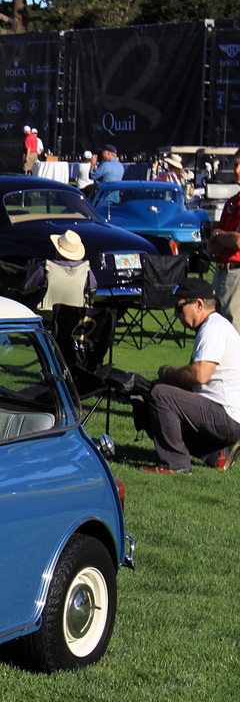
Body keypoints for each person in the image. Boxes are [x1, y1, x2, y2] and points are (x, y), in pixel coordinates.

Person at [139, 278, 240, 474]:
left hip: (226, 416)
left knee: (161, 395)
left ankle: (174, 463)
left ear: (199, 305)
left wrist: (168, 372)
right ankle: (216, 454)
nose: (176, 314)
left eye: (179, 307)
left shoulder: (213, 327)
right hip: (226, 415)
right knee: (154, 392)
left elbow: (200, 375)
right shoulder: (214, 325)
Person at [23, 229, 97, 310]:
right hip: (75, 316)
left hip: (47, 315)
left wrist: (29, 273)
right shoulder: (86, 269)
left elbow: (25, 289)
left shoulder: (45, 267)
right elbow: (93, 288)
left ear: (58, 250)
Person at [209, 153, 240, 323]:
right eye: (235, 165)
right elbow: (211, 246)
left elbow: (238, 241)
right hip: (221, 271)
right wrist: (222, 235)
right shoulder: (232, 203)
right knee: (216, 327)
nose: (237, 170)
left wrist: (218, 235)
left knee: (234, 330)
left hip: (237, 274)